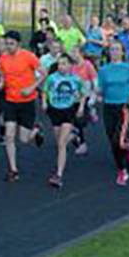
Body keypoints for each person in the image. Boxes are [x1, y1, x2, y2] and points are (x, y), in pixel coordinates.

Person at [0, 30, 45, 182]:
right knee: (9, 136)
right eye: (7, 43)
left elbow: (44, 74)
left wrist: (32, 87)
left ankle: (37, 130)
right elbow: (3, 76)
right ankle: (13, 169)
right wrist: (1, 83)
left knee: (24, 140)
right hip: (10, 101)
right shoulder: (3, 59)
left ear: (18, 44)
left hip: (27, 101)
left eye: (11, 44)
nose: (8, 47)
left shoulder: (29, 56)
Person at [97, 41, 129, 186]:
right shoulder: (104, 70)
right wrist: (99, 95)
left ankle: (122, 170)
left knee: (118, 139)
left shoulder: (128, 68)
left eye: (117, 49)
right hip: (108, 106)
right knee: (111, 138)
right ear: (109, 52)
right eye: (112, 49)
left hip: (123, 106)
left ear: (122, 52)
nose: (115, 52)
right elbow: (101, 88)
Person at [43, 54, 84, 188]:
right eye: (60, 64)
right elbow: (44, 91)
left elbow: (83, 94)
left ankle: (58, 175)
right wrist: (44, 102)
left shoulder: (76, 79)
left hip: (68, 110)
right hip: (55, 110)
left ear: (70, 65)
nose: (61, 66)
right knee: (59, 140)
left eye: (64, 64)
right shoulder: (52, 78)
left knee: (61, 144)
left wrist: (81, 107)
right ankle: (73, 136)